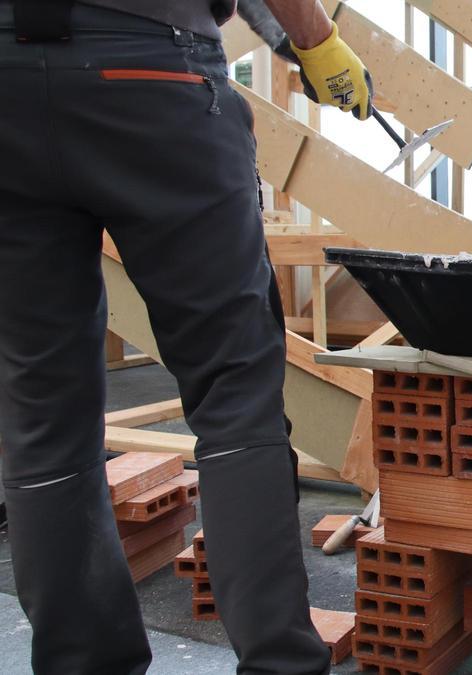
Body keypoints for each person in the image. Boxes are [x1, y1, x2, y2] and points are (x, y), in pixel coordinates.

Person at [0, 1, 372, 672]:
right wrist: (316, 41)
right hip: (148, 68)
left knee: (40, 414)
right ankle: (278, 665)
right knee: (235, 392)